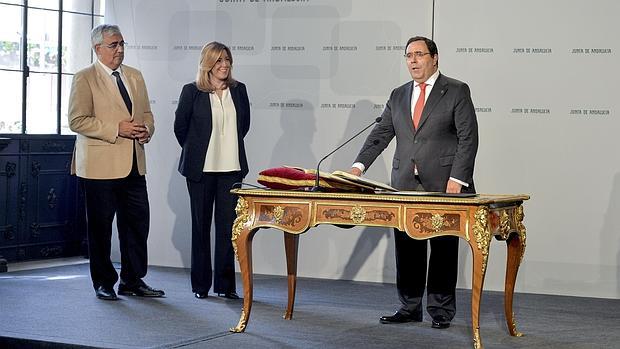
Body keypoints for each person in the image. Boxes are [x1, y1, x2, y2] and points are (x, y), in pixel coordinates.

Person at [350, 36, 478, 329]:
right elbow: (380, 135)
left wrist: (458, 178)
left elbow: (468, 137)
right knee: (407, 248)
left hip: (445, 184)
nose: (413, 61)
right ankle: (409, 307)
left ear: (435, 58)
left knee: (443, 249)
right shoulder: (398, 94)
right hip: (405, 183)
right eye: (409, 56)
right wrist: (358, 167)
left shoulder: (456, 90)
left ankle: (441, 310)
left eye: (419, 55)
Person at [69, 24, 164, 300]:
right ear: (97, 48)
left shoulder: (134, 75)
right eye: (113, 45)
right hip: (99, 167)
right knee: (100, 229)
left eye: (122, 44)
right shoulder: (84, 78)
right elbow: (77, 120)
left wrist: (147, 129)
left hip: (134, 163)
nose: (120, 49)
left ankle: (132, 281)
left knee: (137, 224)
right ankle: (103, 282)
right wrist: (116, 129)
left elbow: (146, 113)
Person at [174, 42, 250, 300]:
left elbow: (245, 126)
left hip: (231, 170)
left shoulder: (239, 91)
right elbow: (180, 128)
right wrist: (197, 151)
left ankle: (226, 286)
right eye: (218, 61)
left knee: (228, 229)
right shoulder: (191, 91)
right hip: (201, 171)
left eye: (227, 59)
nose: (224, 65)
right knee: (200, 227)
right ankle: (201, 286)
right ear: (207, 64)